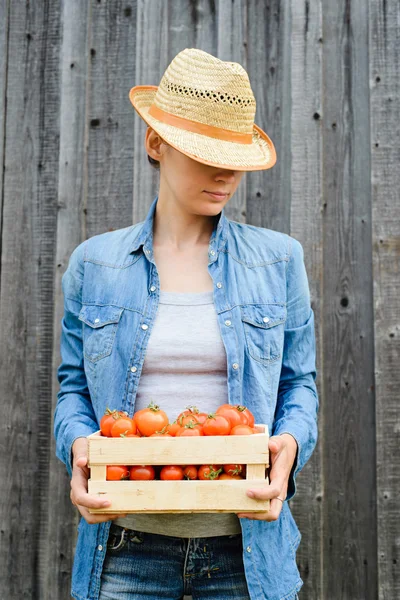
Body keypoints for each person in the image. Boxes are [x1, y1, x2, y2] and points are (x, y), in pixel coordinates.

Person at [54, 48, 318, 600]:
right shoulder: (95, 265)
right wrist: (80, 448)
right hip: (125, 550)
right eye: (205, 155)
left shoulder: (278, 261)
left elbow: (299, 386)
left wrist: (290, 443)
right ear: (156, 145)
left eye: (234, 156)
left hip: (245, 551)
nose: (226, 173)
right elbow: (73, 390)